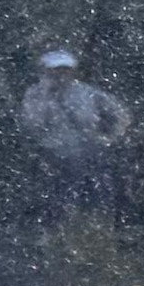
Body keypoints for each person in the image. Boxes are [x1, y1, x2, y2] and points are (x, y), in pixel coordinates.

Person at [20, 49, 130, 235]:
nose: (61, 75)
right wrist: (47, 98)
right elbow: (31, 124)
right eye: (55, 70)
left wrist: (111, 138)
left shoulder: (87, 93)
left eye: (65, 70)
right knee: (60, 200)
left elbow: (120, 114)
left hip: (91, 154)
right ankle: (57, 233)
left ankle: (99, 231)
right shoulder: (34, 95)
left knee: (100, 196)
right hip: (55, 158)